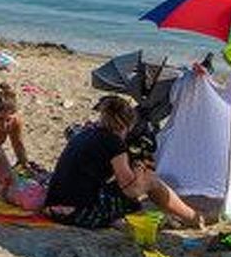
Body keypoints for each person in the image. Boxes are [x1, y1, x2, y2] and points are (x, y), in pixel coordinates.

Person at [44, 94, 201, 229]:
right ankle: (194, 218)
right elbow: (130, 190)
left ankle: (187, 216)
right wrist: (141, 176)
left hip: (53, 205)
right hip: (76, 213)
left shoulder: (86, 133)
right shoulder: (114, 142)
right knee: (153, 182)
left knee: (127, 191)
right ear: (128, 125)